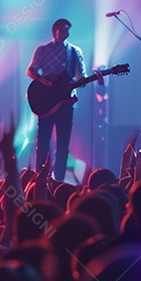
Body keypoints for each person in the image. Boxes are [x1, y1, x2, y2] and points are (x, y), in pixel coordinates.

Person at [26, 18, 85, 183]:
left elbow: (81, 77)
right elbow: (30, 71)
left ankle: (58, 181)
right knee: (43, 142)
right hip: (46, 102)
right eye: (63, 29)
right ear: (55, 31)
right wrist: (42, 81)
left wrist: (97, 77)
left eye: (68, 29)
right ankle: (39, 179)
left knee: (63, 144)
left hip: (65, 102)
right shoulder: (43, 50)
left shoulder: (75, 51)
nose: (67, 32)